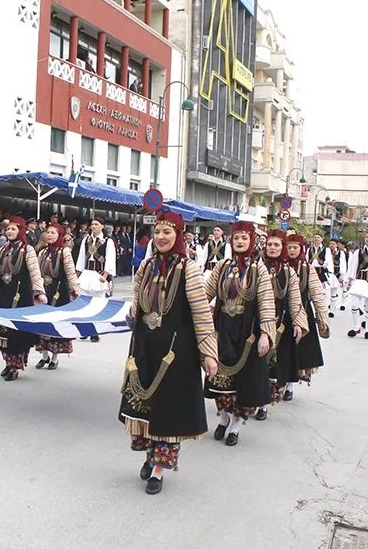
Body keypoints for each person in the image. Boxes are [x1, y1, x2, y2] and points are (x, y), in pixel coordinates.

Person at [120, 210, 218, 495]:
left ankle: (159, 471)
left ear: (178, 235)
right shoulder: (146, 267)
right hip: (145, 348)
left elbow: (201, 313)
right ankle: (150, 456)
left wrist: (209, 353)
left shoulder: (189, 269)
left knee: (169, 412)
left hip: (176, 355)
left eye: (168, 232)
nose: (161, 237)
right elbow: (137, 304)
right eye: (158, 232)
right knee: (147, 409)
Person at [203, 221, 276, 447]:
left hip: (247, 332)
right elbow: (206, 293)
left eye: (245, 238)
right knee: (219, 379)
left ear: (252, 241)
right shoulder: (223, 266)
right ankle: (224, 418)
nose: (240, 242)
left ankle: (235, 425)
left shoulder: (258, 268)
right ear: (231, 241)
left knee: (242, 384)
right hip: (223, 328)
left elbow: (265, 301)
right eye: (236, 238)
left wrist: (266, 333)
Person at [257, 230, 308, 420]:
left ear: (282, 248)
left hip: (281, 325)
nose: (272, 248)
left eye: (276, 245)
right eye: (269, 244)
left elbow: (295, 300)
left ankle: (264, 406)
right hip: (258, 323)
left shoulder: (289, 272)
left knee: (274, 366)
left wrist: (298, 323)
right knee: (257, 363)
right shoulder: (256, 267)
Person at [0, 216, 46, 381]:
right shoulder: (2, 250)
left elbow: (35, 272)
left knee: (18, 334)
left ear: (20, 230)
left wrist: (40, 292)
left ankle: (16, 366)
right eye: (8, 229)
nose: (9, 231)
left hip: (20, 296)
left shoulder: (27, 250)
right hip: (4, 295)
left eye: (13, 229)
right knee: (2, 332)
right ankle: (8, 362)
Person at [34, 221, 81, 370]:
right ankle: (44, 356)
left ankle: (54, 357)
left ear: (59, 235)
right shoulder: (42, 252)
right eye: (48, 232)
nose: (49, 235)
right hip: (44, 292)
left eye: (53, 233)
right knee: (42, 324)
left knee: (56, 325)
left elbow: (70, 271)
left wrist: (75, 288)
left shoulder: (64, 252)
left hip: (60, 293)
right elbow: (37, 273)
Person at [286, 234, 329, 394]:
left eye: (295, 248)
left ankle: (290, 386)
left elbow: (317, 292)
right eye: (289, 247)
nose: (291, 251)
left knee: (299, 351)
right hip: (283, 313)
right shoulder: (280, 266)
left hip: (302, 312)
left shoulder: (307, 269)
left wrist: (322, 315)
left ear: (301, 249)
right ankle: (280, 383)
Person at [75, 217, 116, 342]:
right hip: (87, 274)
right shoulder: (86, 240)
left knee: (97, 305)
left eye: (96, 224)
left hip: (99, 275)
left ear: (102, 226)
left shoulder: (108, 241)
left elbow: (110, 257)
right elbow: (81, 257)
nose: (94, 226)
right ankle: (85, 330)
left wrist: (106, 275)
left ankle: (95, 332)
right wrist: (77, 274)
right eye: (92, 224)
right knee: (84, 304)